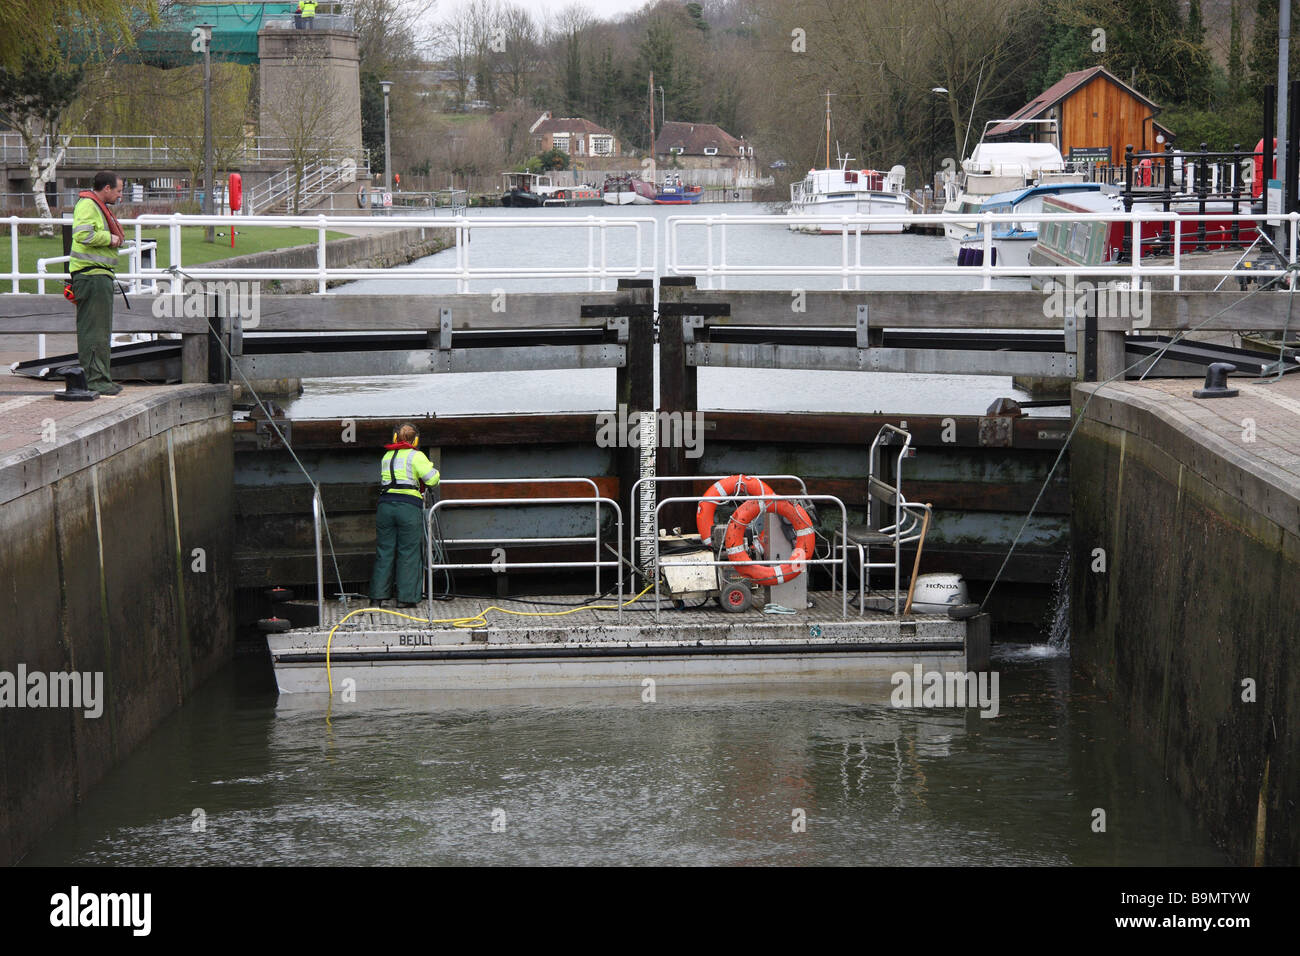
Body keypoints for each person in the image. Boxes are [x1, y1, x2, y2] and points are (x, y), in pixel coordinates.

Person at [370, 422, 440, 607]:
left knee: (384, 551)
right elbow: (433, 479)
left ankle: (377, 597)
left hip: (385, 507)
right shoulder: (416, 456)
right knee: (408, 552)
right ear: (416, 440)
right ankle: (406, 599)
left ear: (395, 438)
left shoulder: (386, 456)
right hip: (408, 508)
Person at [70, 171, 125, 397]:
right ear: (107, 189)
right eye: (119, 191)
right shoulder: (87, 205)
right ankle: (94, 381)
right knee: (94, 331)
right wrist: (110, 238)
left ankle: (101, 378)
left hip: (98, 276)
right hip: (91, 276)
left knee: (101, 331)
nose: (120, 195)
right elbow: (83, 235)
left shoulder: (95, 206)